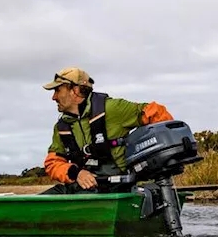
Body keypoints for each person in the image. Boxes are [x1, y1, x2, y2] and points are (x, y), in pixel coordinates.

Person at [41, 67, 174, 193]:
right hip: (83, 187)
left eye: (57, 90)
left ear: (75, 90)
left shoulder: (112, 109)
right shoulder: (61, 127)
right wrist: (76, 173)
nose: (54, 97)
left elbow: (156, 112)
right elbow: (53, 163)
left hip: (118, 186)